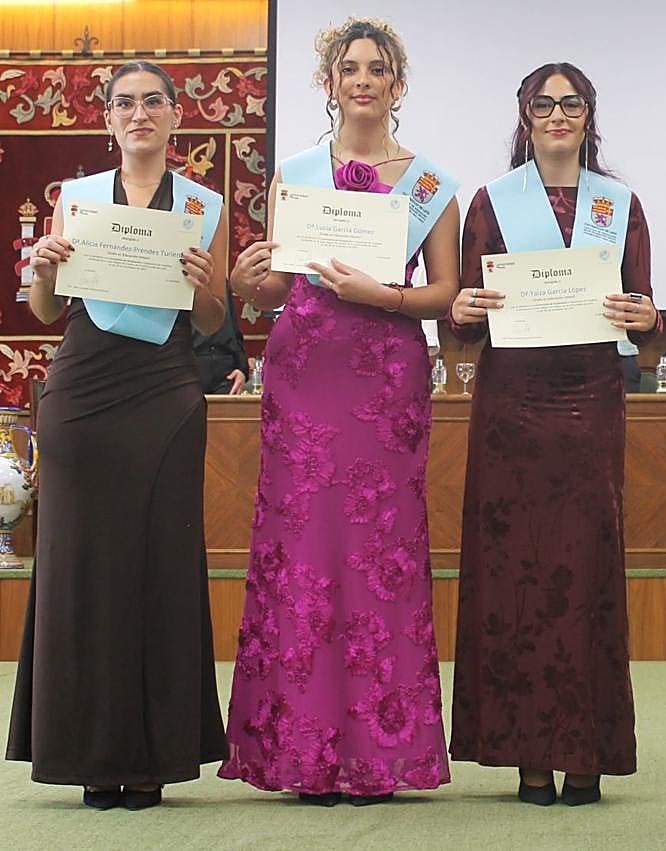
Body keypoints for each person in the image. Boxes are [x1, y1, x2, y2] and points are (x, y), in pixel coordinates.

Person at [218, 18, 460, 806]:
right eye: (349, 68)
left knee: (378, 554)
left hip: (385, 377)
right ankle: (302, 751)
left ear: (398, 84)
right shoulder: (294, 171)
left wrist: (378, 295)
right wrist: (250, 277)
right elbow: (275, 287)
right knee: (306, 554)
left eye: (377, 68)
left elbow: (445, 295)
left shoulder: (429, 185)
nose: (363, 79)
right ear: (328, 83)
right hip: (304, 373)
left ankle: (381, 753)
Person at [6, 60, 228, 810]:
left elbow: (211, 322)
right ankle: (89, 756)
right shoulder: (75, 199)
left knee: (158, 571)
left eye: (153, 102)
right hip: (82, 395)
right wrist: (42, 265)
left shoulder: (204, 203)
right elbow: (43, 310)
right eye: (125, 103)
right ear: (108, 120)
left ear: (174, 117)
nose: (139, 113)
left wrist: (204, 285)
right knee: (81, 573)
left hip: (165, 395)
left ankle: (153, 759)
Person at [447, 62, 661, 807]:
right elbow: (462, 315)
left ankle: (586, 753)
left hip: (591, 402)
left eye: (572, 104)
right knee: (515, 574)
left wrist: (646, 316)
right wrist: (465, 307)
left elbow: (644, 307)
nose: (559, 114)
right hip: (512, 405)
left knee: (587, 571)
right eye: (545, 104)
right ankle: (527, 755)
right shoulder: (490, 202)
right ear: (526, 116)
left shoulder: (621, 203)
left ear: (588, 115)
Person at [193, 282, 250, 394]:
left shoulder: (221, 281)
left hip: (227, 371)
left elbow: (234, 329)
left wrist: (242, 369)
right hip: (191, 365)